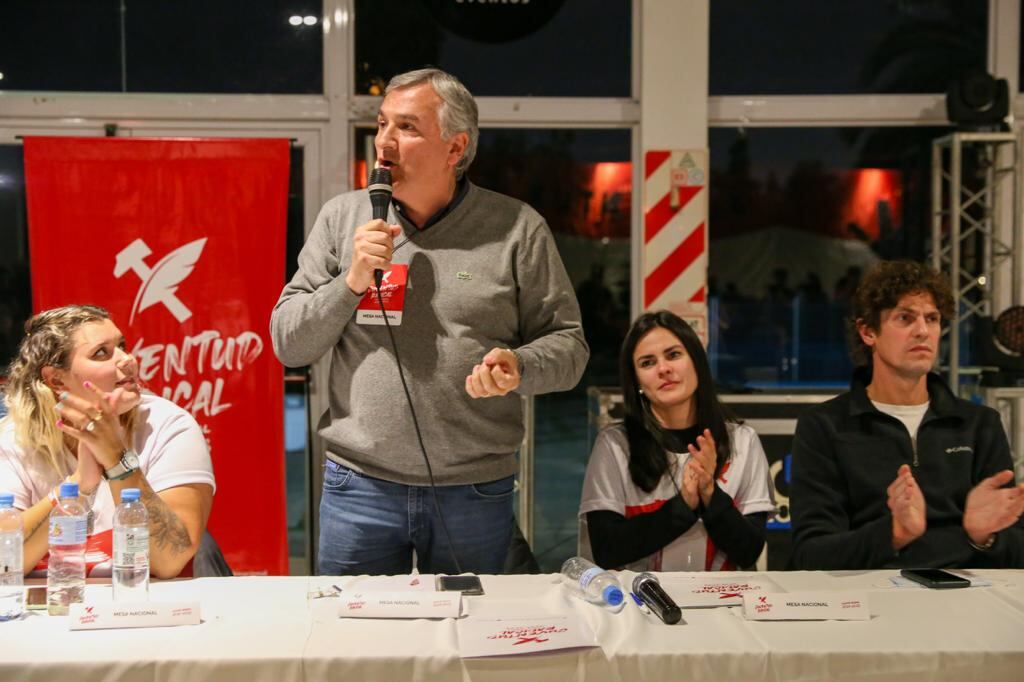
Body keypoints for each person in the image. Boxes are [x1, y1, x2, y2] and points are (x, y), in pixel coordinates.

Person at [270, 68, 588, 576]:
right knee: (350, 626)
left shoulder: (516, 228)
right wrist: (350, 282)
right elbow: (289, 342)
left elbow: (570, 348)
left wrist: (520, 365)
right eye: (382, 124)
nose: (384, 142)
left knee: (476, 625)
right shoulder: (342, 219)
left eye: (407, 127)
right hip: (360, 486)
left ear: (455, 148)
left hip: (473, 490)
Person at [791, 260, 1024, 569]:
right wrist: (894, 533)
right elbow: (810, 555)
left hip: (966, 591)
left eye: (932, 319)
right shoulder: (825, 425)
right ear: (868, 332)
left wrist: (984, 536)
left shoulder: (980, 423)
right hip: (868, 593)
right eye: (905, 318)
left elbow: (1017, 549)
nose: (923, 331)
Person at [0, 305, 216, 578]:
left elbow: (171, 559)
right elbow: (4, 562)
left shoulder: (168, 425)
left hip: (146, 601)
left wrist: (117, 460)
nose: (128, 360)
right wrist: (78, 485)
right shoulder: (14, 438)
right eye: (101, 353)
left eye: (122, 346)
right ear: (56, 380)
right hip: (57, 601)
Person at [579, 310, 776, 571]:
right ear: (637, 381)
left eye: (673, 355)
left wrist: (710, 493)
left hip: (722, 595)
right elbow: (607, 550)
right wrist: (683, 506)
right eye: (647, 363)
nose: (664, 369)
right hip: (638, 595)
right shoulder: (615, 445)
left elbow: (749, 551)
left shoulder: (742, 441)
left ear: (696, 361)